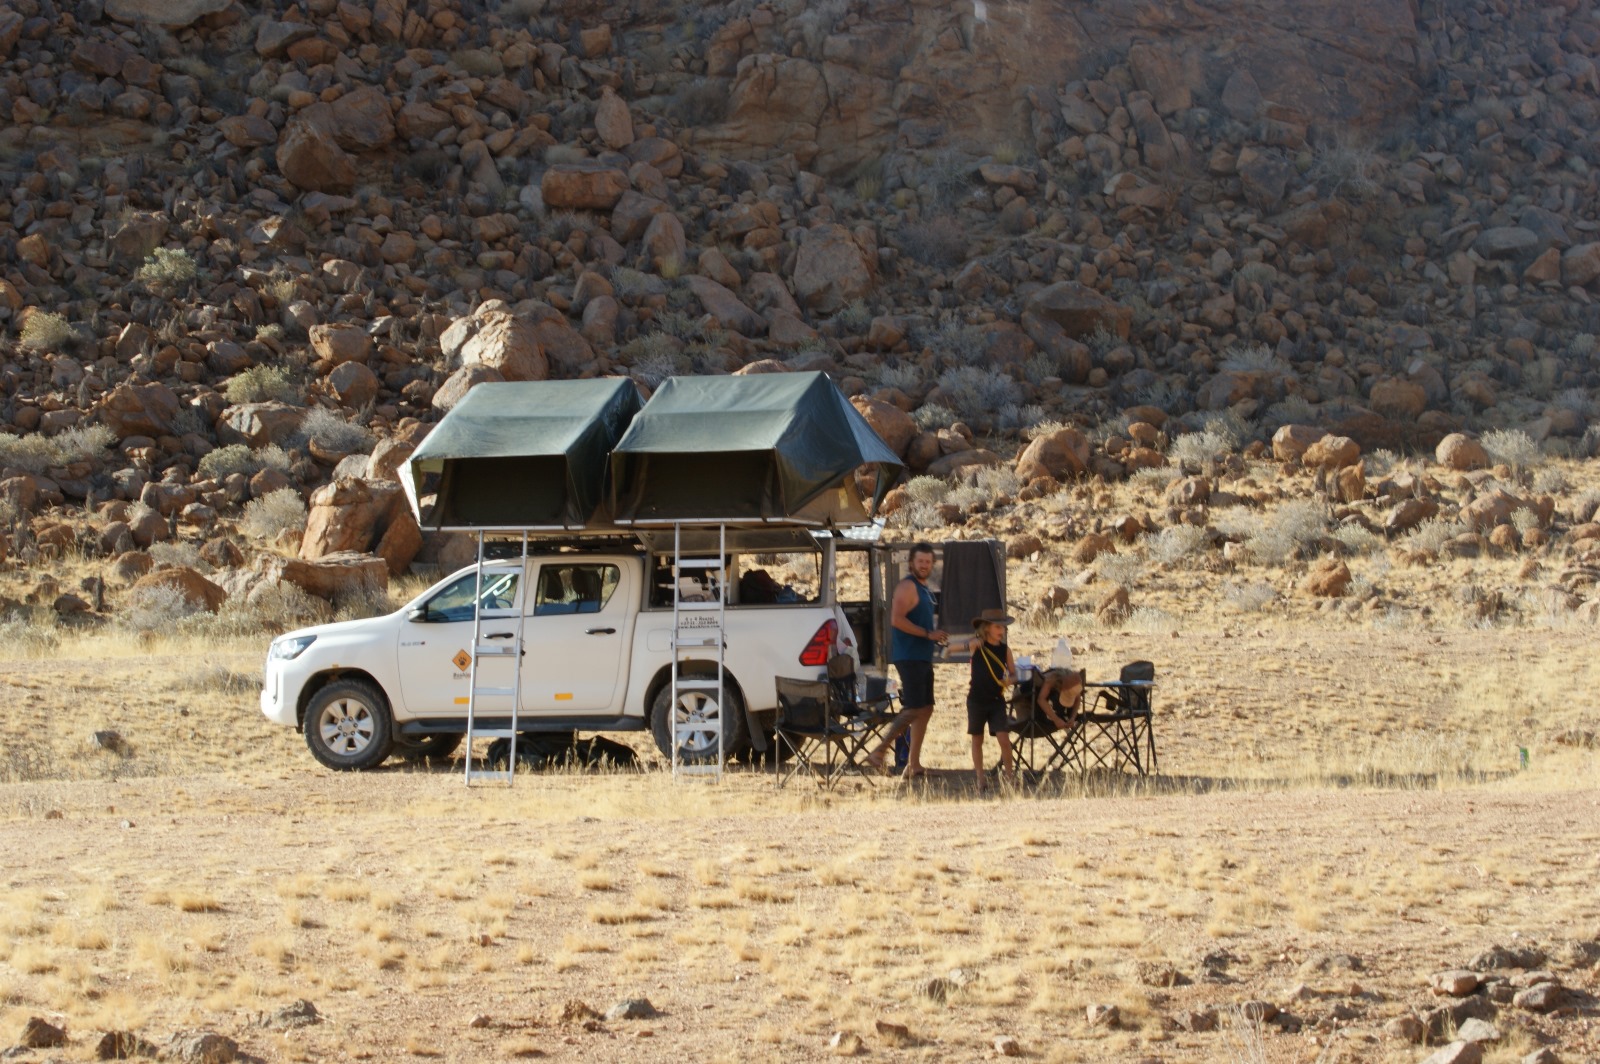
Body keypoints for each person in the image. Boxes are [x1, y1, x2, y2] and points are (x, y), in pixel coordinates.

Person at [866, 542, 946, 779]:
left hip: (922, 656)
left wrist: (935, 636)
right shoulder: (907, 587)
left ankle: (914, 764)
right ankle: (879, 752)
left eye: (928, 562)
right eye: (920, 561)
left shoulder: (924, 589)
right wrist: (927, 634)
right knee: (912, 708)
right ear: (911, 563)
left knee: (926, 708)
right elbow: (896, 620)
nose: (924, 565)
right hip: (909, 656)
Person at [948, 608, 1016, 793]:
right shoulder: (976, 645)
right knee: (977, 739)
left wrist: (1009, 680)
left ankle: (1009, 777)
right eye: (997, 627)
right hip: (976, 700)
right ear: (987, 629)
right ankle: (980, 779)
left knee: (1003, 738)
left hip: (996, 700)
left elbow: (1014, 673)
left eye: (1002, 627)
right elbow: (952, 649)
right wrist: (963, 647)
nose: (1001, 631)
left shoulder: (1005, 650)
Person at [1033, 665, 1085, 731]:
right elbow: (1041, 699)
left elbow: (1077, 699)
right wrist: (1056, 719)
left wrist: (1072, 718)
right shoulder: (1052, 679)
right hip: (1032, 702)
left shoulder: (1074, 682)